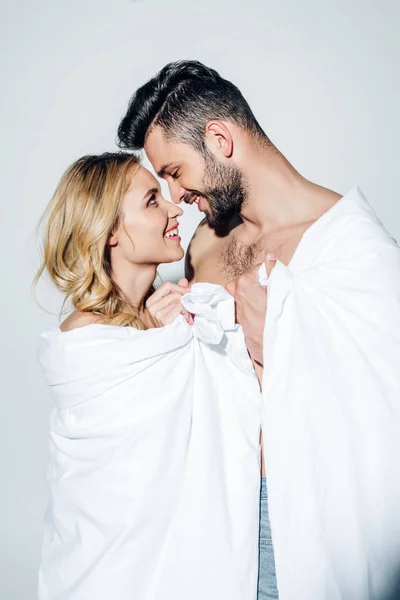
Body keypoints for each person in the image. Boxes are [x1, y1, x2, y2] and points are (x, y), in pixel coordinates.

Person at [117, 60, 400, 600]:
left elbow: (386, 408)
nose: (175, 197)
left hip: (296, 519)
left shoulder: (357, 250)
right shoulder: (204, 244)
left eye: (175, 172)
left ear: (219, 139)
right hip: (208, 511)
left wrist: (284, 338)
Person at [34, 152, 263, 600]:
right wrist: (160, 337)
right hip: (107, 571)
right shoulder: (85, 341)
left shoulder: (179, 310)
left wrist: (182, 329)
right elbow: (117, 495)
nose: (176, 208)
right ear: (112, 232)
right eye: (152, 201)